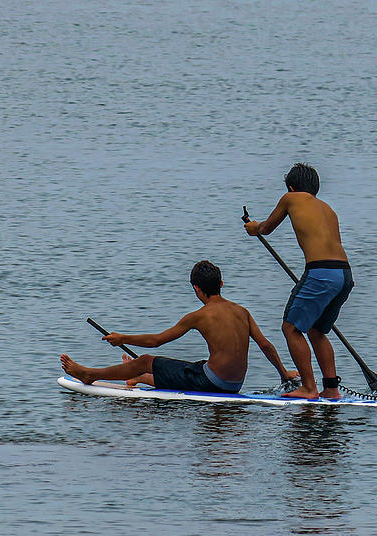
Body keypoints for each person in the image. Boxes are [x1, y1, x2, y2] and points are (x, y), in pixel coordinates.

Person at [61, 260, 298, 392]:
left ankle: (89, 375)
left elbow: (156, 341)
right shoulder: (242, 311)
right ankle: (139, 377)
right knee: (185, 370)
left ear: (196, 288)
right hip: (235, 384)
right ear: (221, 284)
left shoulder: (200, 315)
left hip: (212, 381)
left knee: (146, 360)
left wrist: (123, 338)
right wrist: (284, 373)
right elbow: (266, 345)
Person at [244, 163, 354, 399]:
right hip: (344, 274)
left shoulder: (290, 198)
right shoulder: (328, 209)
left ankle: (309, 388)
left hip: (321, 272)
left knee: (291, 328)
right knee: (316, 330)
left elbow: (266, 228)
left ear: (292, 187)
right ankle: (332, 388)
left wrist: (254, 228)